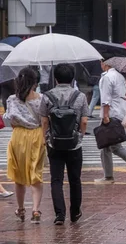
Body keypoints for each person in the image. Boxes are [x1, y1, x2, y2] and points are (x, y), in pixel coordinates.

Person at [40, 64, 88, 225]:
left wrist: (44, 139)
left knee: (56, 179)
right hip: (74, 144)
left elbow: (45, 120)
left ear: (56, 78)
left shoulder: (47, 96)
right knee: (75, 179)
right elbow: (84, 121)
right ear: (72, 78)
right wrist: (80, 136)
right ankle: (75, 212)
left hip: (54, 143)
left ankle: (59, 214)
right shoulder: (80, 96)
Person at [2, 67, 45, 223]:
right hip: (37, 135)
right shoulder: (41, 98)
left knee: (19, 176)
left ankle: (21, 209)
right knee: (36, 173)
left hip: (18, 136)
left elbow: (9, 120)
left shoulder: (12, 99)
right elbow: (44, 120)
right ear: (35, 82)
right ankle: (35, 210)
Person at [95, 54, 126, 184]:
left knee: (114, 147)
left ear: (104, 63)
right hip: (120, 112)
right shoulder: (119, 76)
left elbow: (105, 100)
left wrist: (105, 116)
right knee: (106, 146)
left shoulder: (106, 78)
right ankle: (108, 176)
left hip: (111, 114)